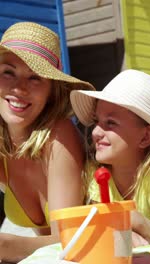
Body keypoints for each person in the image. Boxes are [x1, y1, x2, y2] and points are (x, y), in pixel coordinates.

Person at [0, 22, 95, 261]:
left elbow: (69, 243)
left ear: (52, 91)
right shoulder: (4, 141)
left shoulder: (58, 136)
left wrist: (4, 246)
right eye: (8, 72)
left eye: (35, 78)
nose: (20, 89)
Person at [70, 69, 150, 245]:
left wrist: (140, 224)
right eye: (97, 121)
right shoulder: (97, 175)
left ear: (145, 137)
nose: (96, 132)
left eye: (111, 123)